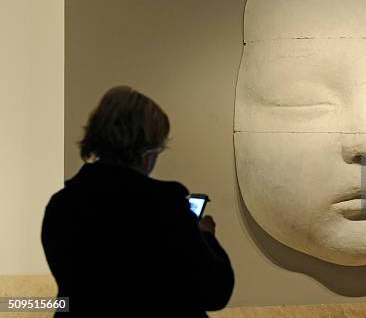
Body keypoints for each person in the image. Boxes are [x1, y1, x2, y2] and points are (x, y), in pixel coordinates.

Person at [41, 86, 234, 317]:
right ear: (147, 150)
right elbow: (215, 292)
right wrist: (205, 236)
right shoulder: (164, 205)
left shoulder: (61, 205)